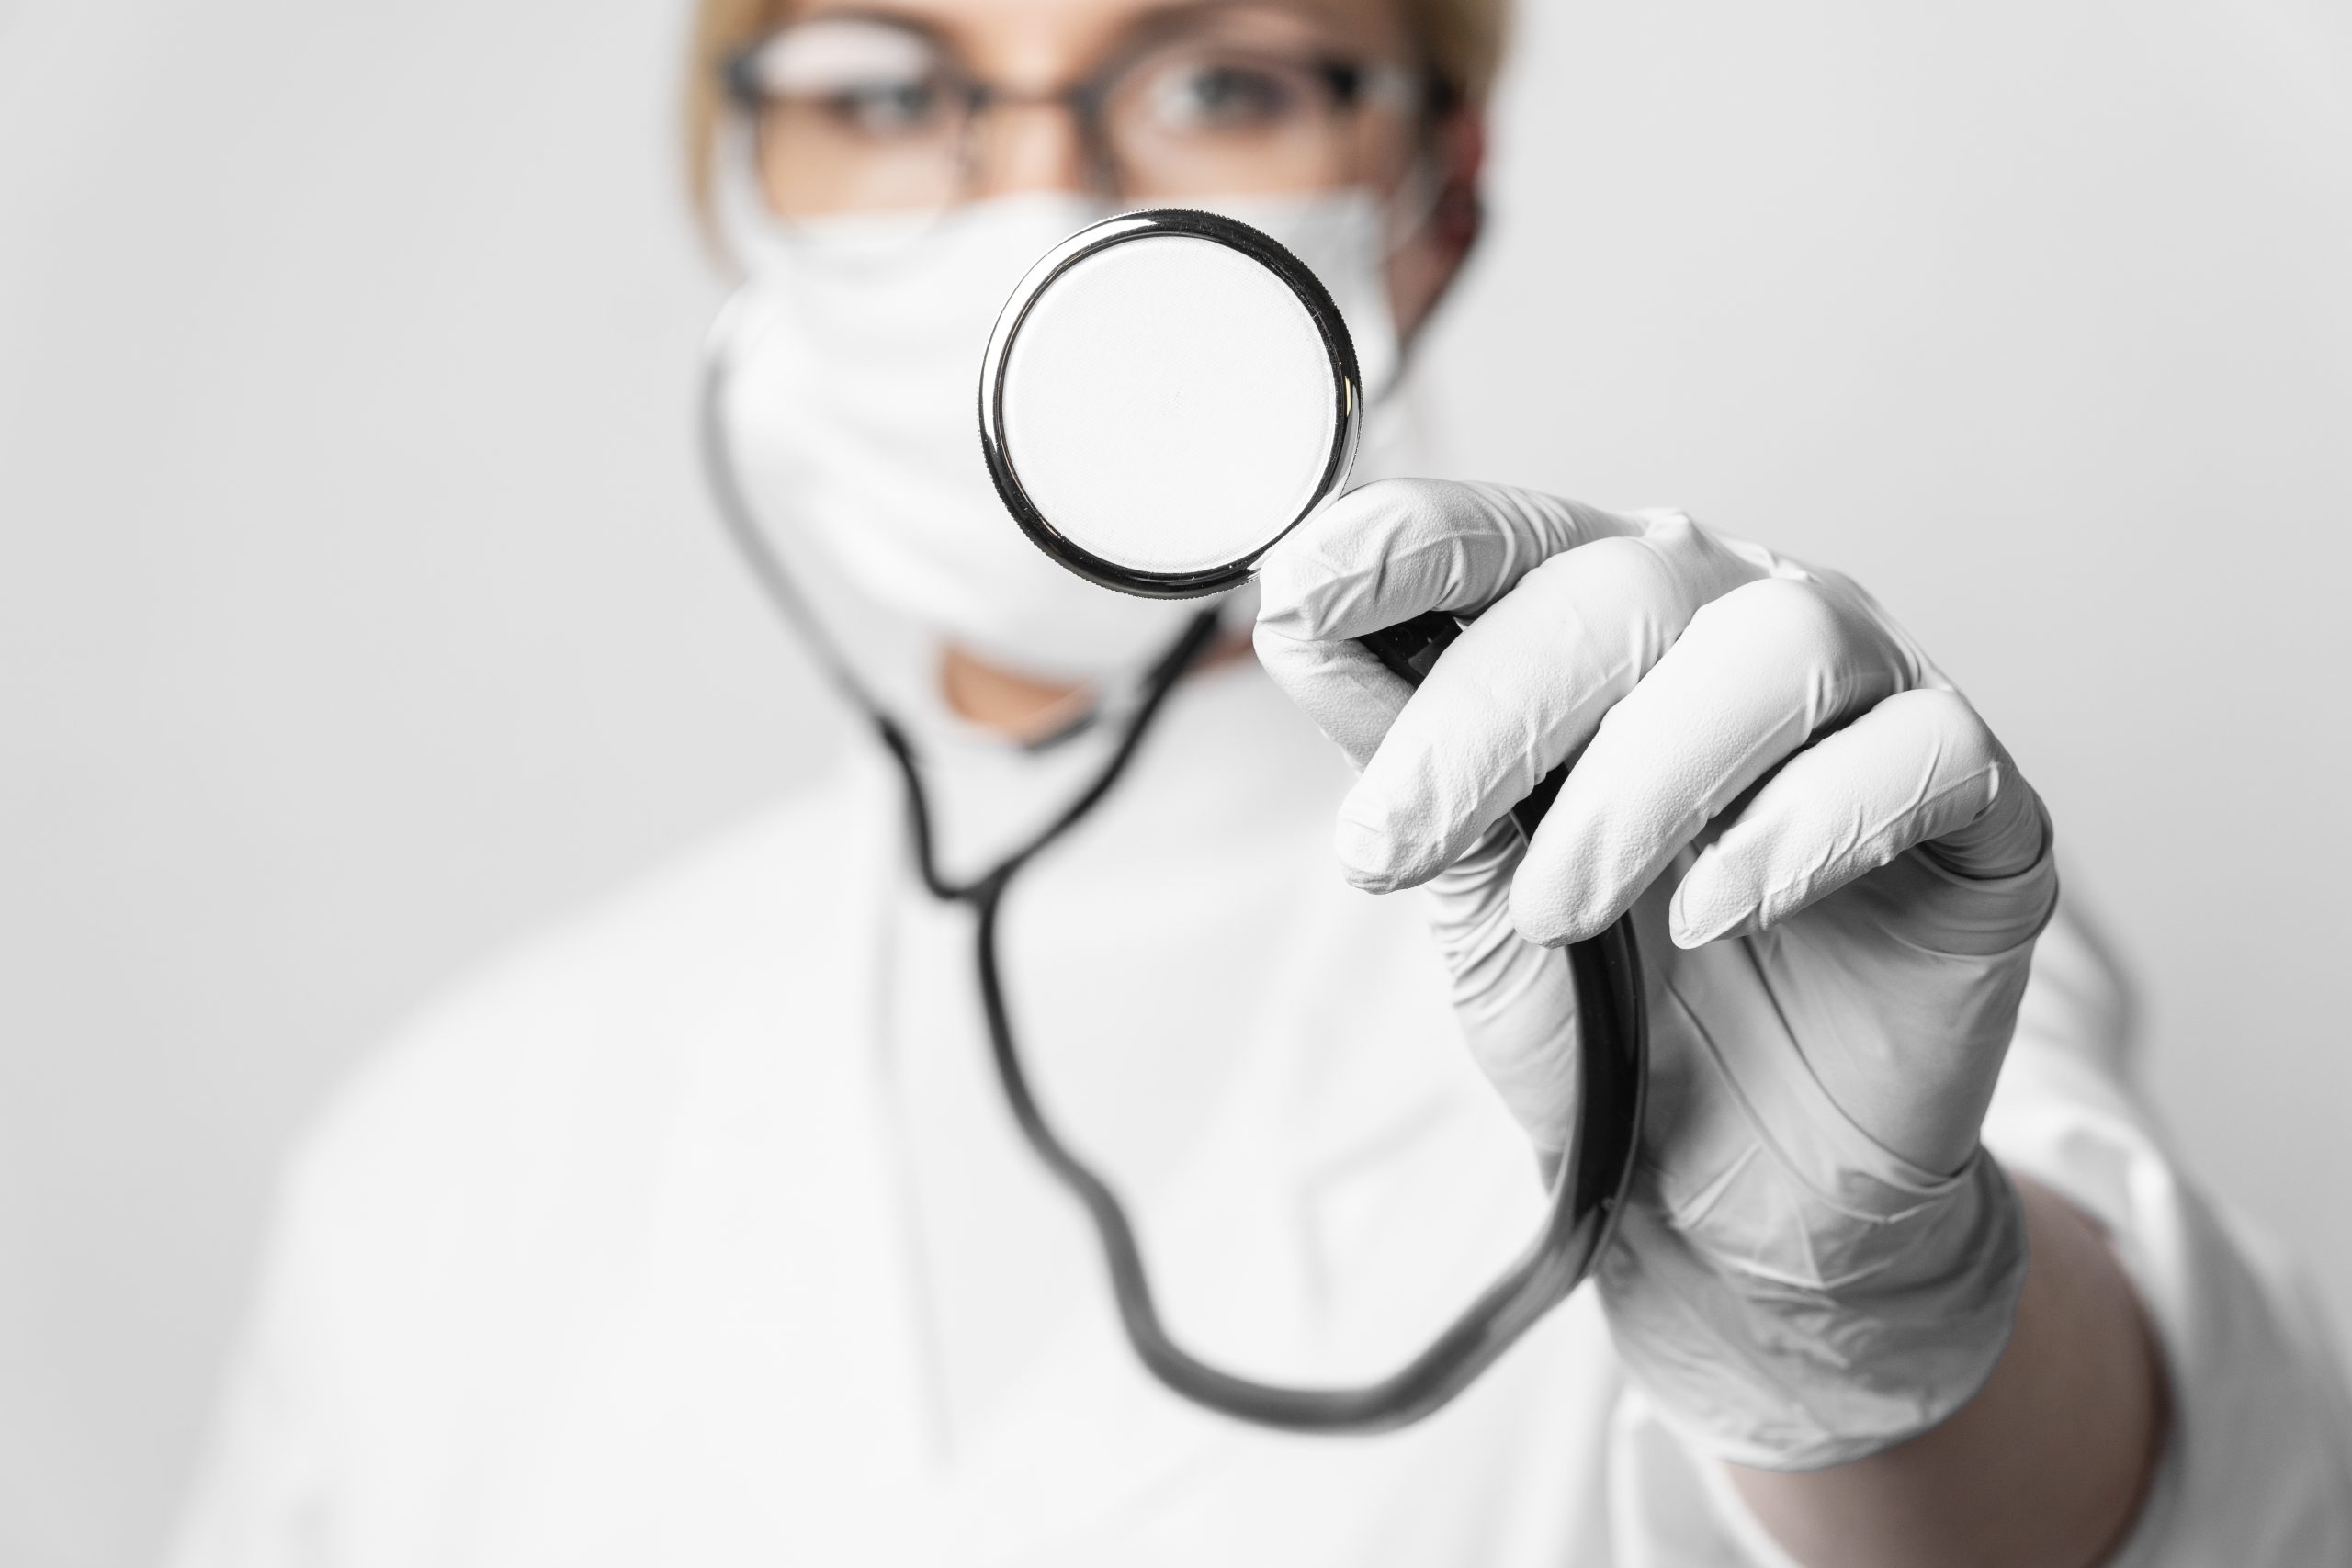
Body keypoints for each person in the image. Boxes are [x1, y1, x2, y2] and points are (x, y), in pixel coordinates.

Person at [170, 1, 2352, 1563]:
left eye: (1212, 76)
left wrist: (1871, 1329)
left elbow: (2195, 1506)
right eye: (887, 83)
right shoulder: (441, 1152)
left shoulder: (1744, 884)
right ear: (736, 191)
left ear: (1432, 203)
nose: (1039, 207)